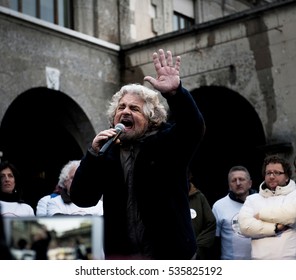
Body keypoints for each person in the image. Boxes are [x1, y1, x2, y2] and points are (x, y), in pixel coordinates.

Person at [70, 48, 205, 260]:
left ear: (151, 118)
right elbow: (81, 198)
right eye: (121, 108)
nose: (125, 112)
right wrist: (93, 156)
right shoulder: (107, 152)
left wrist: (176, 93)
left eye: (134, 108)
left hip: (170, 257)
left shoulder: (167, 143)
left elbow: (193, 126)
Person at [238, 154, 296, 259]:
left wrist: (260, 215)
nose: (272, 176)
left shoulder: (294, 195)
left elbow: (291, 216)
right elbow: (245, 226)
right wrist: (275, 228)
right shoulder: (253, 199)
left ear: (287, 177)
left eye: (277, 173)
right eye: (268, 173)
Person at [212, 165, 255, 259]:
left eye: (241, 179)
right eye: (234, 180)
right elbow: (214, 241)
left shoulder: (261, 202)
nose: (238, 183)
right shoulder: (219, 206)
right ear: (229, 185)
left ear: (250, 183)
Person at [188, 173, 216, 260]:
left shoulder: (199, 197)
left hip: (196, 258)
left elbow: (211, 224)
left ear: (189, 177)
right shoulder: (166, 198)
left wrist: (196, 250)